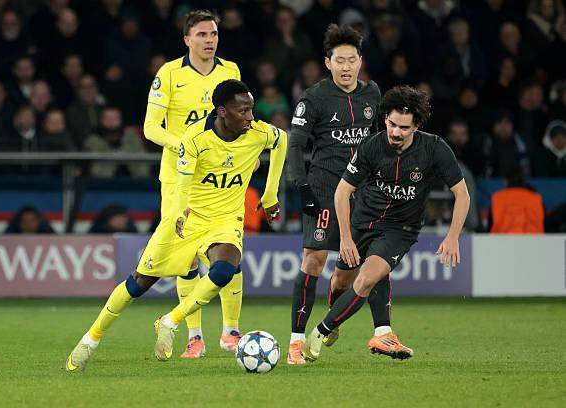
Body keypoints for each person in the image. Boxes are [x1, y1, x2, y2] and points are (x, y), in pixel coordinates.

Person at [65, 80, 286, 371]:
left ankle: (171, 321)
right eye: (243, 111)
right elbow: (182, 183)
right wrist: (180, 213)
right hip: (188, 218)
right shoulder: (195, 138)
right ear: (222, 111)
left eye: (251, 109)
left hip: (224, 220)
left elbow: (282, 140)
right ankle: (90, 339)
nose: (250, 117)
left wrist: (270, 194)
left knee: (225, 269)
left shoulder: (258, 132)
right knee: (138, 284)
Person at [302, 85, 470, 362]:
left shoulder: (434, 148)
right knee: (340, 282)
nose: (395, 132)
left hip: (400, 228)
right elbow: (342, 192)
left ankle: (319, 333)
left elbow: (462, 194)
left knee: (368, 277)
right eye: (392, 124)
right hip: (362, 221)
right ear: (385, 119)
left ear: (416, 126)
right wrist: (345, 238)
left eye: (404, 128)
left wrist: (453, 237)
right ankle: (345, 319)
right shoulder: (371, 146)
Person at [287, 24, 403, 365]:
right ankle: (295, 341)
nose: (347, 67)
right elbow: (295, 146)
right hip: (324, 188)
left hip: (364, 191)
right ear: (328, 63)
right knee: (314, 259)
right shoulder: (313, 98)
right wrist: (302, 188)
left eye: (352, 60)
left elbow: (383, 140)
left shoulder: (372, 94)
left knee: (363, 266)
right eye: (340, 60)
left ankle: (368, 327)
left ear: (360, 61)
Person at [142, 10, 244, 358]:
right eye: (201, 34)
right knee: (185, 259)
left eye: (213, 33)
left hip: (220, 178)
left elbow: (241, 118)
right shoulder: (169, 73)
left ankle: (231, 331)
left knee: (229, 249)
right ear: (187, 40)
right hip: (179, 179)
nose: (209, 40)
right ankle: (194, 335)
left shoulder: (230, 71)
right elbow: (150, 128)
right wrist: (184, 145)